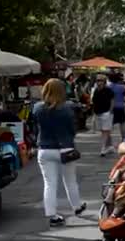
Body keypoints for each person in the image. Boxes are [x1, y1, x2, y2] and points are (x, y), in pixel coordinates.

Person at [33, 79, 86, 227]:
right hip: (66, 148)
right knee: (70, 180)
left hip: (45, 149)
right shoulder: (67, 109)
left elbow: (36, 126)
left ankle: (52, 215)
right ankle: (76, 207)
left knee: (49, 184)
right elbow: (72, 129)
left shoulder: (37, 108)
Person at [91, 75, 116, 157]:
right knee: (104, 130)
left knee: (105, 130)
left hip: (106, 112)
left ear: (104, 81)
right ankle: (110, 146)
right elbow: (93, 101)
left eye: (101, 80)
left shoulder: (108, 90)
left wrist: (110, 111)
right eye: (97, 80)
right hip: (98, 112)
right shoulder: (96, 90)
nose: (99, 82)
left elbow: (112, 100)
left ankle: (103, 148)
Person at [108, 74, 125, 141]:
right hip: (121, 107)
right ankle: (123, 138)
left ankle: (108, 139)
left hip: (112, 108)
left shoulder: (108, 87)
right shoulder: (122, 87)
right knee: (122, 123)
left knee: (110, 124)